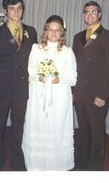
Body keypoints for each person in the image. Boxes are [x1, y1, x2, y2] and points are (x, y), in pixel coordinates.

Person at [0, 0, 37, 171]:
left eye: (19, 8)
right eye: (12, 8)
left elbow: (36, 59)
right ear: (6, 11)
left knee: (19, 129)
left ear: (23, 10)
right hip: (1, 90)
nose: (16, 11)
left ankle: (18, 164)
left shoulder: (32, 31)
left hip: (23, 90)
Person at [22, 15, 77, 170]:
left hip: (59, 98)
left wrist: (58, 79)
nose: (53, 33)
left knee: (56, 128)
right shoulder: (36, 48)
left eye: (57, 30)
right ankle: (36, 166)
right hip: (38, 96)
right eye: (50, 29)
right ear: (45, 31)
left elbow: (73, 78)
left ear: (61, 33)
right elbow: (30, 71)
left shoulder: (68, 52)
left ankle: (57, 166)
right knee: (38, 126)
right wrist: (39, 76)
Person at [72, 1, 109, 171]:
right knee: (83, 130)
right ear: (84, 15)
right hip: (80, 94)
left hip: (96, 95)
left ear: (99, 14)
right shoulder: (77, 37)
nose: (90, 15)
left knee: (97, 133)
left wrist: (103, 95)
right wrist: (72, 91)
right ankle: (81, 164)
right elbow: (73, 67)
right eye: (87, 12)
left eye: (93, 12)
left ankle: (94, 168)